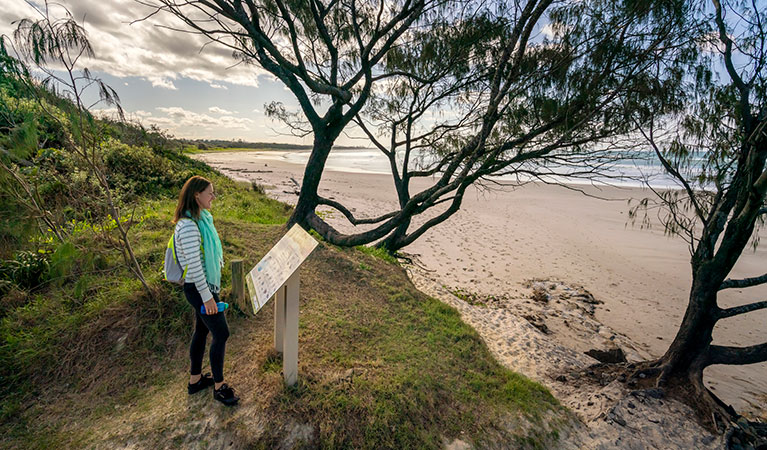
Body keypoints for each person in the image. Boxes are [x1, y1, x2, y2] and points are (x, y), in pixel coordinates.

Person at [173, 175, 239, 406]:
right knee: (221, 333)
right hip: (200, 288)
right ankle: (220, 388)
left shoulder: (199, 220)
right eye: (209, 192)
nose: (213, 196)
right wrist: (208, 297)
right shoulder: (190, 227)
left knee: (201, 331)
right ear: (196, 195)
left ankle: (195, 380)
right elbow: (195, 268)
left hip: (200, 288)